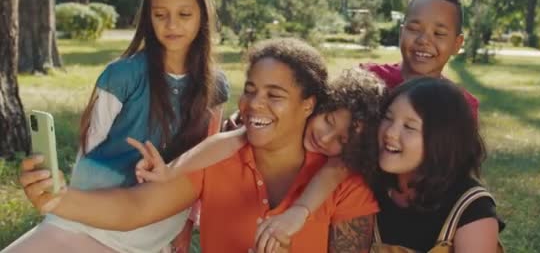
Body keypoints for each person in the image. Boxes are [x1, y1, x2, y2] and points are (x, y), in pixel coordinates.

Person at [17, 38, 379, 253]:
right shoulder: (216, 156)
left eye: (275, 95)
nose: (254, 104)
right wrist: (59, 199)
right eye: (250, 90)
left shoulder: (343, 182)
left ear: (309, 105)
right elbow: (134, 208)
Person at [3, 0, 229, 253]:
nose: (172, 25)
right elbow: (90, 148)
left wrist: (185, 227)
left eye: (184, 14)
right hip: (92, 219)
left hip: (156, 224)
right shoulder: (120, 76)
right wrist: (64, 204)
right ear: (148, 17)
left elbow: (203, 166)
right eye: (160, 15)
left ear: (203, 17)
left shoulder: (216, 85)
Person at [130, 68, 387, 252]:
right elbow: (231, 140)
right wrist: (169, 171)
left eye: (342, 141)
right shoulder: (244, 140)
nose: (325, 137)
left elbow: (336, 171)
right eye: (328, 121)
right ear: (315, 105)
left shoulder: (345, 181)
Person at [373, 77, 502, 252]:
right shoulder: (367, 186)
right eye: (387, 118)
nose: (390, 132)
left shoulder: (471, 207)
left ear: (442, 140)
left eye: (409, 127)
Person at [361, 0, 479, 119]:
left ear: (457, 44)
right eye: (414, 29)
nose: (423, 40)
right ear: (401, 33)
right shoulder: (369, 80)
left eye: (439, 33)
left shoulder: (462, 106)